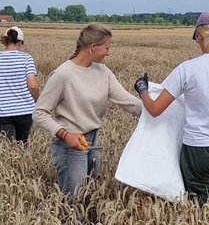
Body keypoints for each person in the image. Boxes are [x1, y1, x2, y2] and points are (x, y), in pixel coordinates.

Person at [134, 10, 209, 206]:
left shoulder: (187, 69)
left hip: (199, 149)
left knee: (200, 207)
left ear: (199, 36)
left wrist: (142, 89)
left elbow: (155, 110)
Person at [33, 23, 141, 194]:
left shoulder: (103, 72)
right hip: (70, 146)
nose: (108, 52)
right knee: (74, 202)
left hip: (93, 142)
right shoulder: (63, 74)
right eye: (107, 47)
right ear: (93, 46)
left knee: (88, 196)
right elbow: (39, 113)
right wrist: (65, 134)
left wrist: (157, 109)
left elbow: (128, 102)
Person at [0, 26, 40, 142]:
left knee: (6, 150)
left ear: (5, 41)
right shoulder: (27, 59)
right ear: (21, 42)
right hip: (25, 112)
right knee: (22, 147)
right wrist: (38, 101)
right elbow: (33, 86)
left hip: (1, 113)